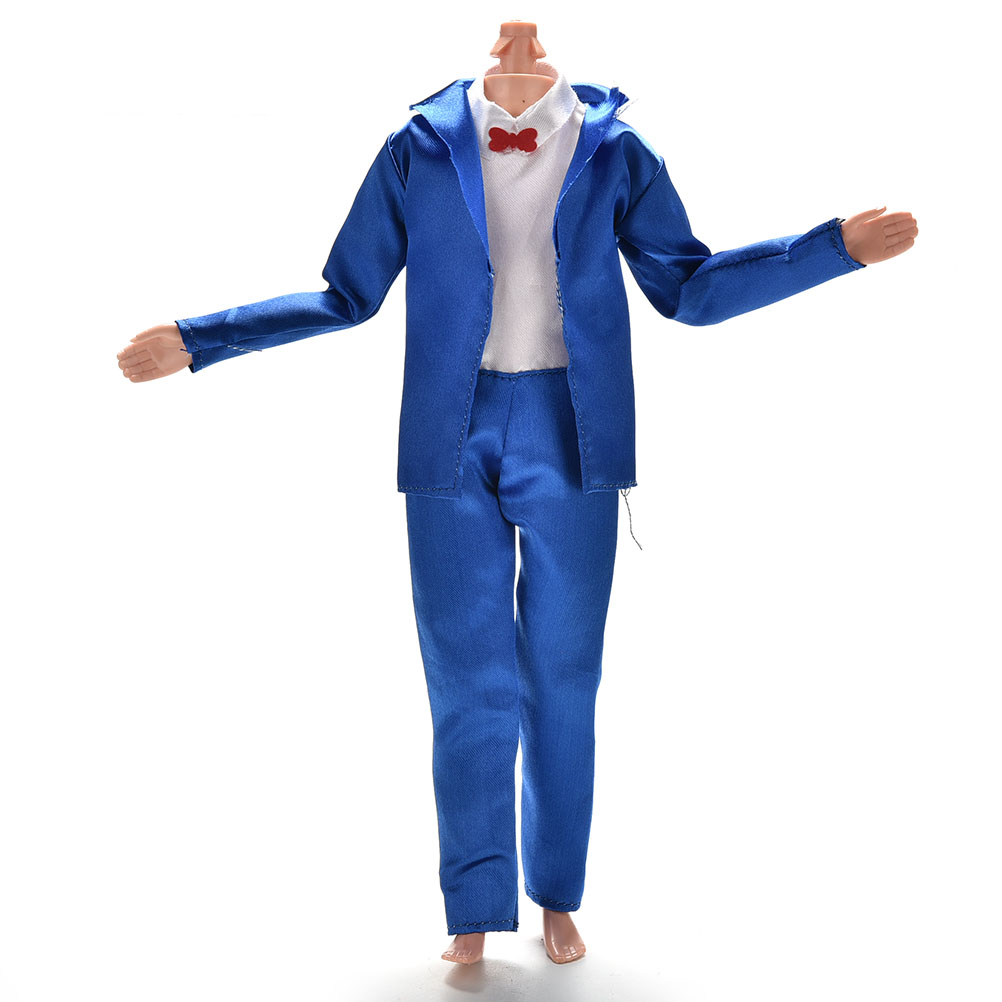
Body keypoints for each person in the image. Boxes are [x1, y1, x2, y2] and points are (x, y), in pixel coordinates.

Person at [117, 20, 918, 967]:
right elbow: (346, 294)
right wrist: (200, 341)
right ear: (486, 49)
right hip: (447, 436)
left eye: (533, 29)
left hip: (574, 430)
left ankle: (557, 895)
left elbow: (688, 289)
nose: (518, 37)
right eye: (502, 31)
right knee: (466, 682)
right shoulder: (416, 147)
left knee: (566, 680)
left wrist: (833, 250)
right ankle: (472, 902)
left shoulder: (617, 149)